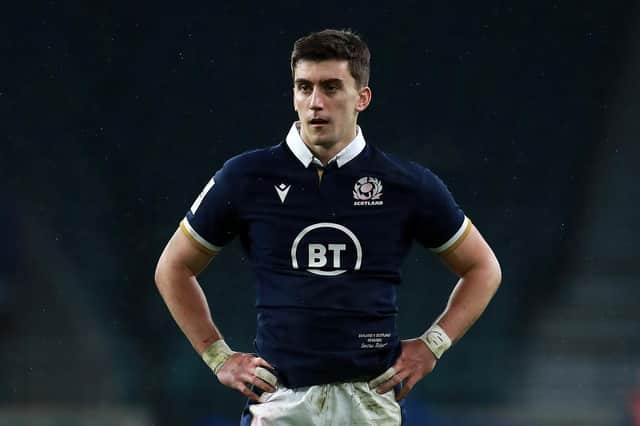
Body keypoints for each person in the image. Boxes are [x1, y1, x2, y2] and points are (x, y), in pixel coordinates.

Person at [155, 28, 501, 425]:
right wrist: (218, 357)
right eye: (304, 87)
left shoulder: (407, 184)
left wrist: (432, 346)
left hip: (369, 403)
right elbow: (173, 268)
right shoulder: (246, 177)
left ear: (362, 98)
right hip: (280, 402)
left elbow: (483, 268)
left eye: (331, 87)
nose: (316, 102)